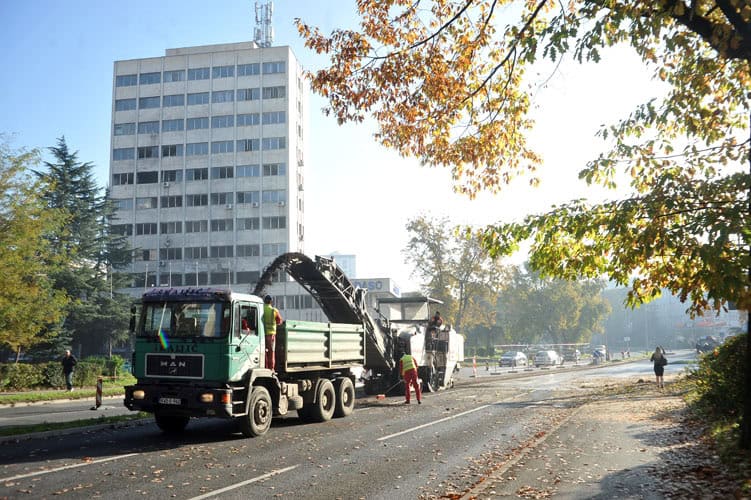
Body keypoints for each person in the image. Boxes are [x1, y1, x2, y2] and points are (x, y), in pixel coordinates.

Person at [262, 295, 283, 371]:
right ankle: (271, 369)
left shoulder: (261, 309)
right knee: (271, 353)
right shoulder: (274, 311)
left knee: (263, 352)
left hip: (261, 334)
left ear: (264, 301)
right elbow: (279, 321)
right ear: (271, 302)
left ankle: (264, 367)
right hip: (271, 335)